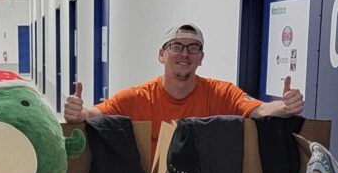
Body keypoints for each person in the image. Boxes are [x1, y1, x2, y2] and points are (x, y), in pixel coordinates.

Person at [64, 23, 305, 161]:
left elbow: (259, 109)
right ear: (162, 54)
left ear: (201, 58)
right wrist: (79, 112)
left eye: (193, 48)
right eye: (176, 46)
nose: (185, 54)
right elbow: (97, 113)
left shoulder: (221, 92)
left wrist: (284, 107)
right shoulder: (137, 97)